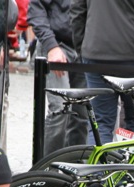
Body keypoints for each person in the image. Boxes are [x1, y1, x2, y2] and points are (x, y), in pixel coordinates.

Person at [70, 0, 134, 144]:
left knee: (100, 123)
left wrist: (82, 46)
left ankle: (98, 166)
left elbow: (77, 11)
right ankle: (126, 166)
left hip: (96, 51)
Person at [27, 0, 88, 157]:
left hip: (84, 48)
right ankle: (48, 170)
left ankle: (74, 168)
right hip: (56, 45)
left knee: (82, 113)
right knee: (60, 109)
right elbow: (36, 10)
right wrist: (52, 46)